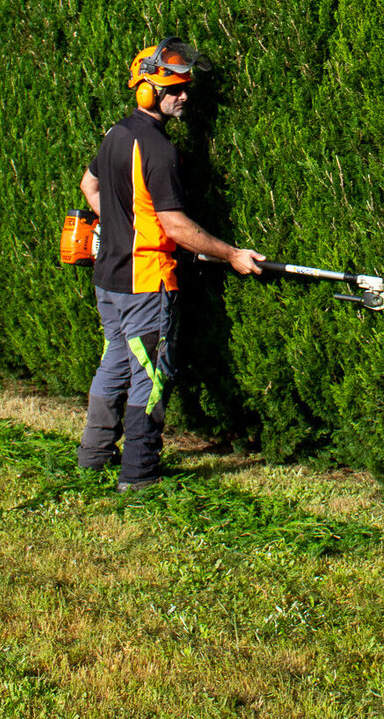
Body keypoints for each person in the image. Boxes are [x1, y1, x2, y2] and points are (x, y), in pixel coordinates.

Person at [75, 37, 264, 488]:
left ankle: (94, 459)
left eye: (184, 87)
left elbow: (89, 187)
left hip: (108, 280)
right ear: (146, 91)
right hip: (146, 283)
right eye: (173, 88)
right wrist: (233, 254)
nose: (183, 96)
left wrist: (124, 227)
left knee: (114, 364)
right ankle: (138, 476)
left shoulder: (116, 134)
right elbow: (176, 226)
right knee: (151, 378)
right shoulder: (158, 149)